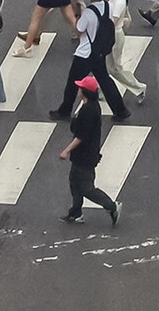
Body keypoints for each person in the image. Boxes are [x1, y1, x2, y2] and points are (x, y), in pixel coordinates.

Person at [51, 0, 132, 122]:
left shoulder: (88, 12)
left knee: (72, 83)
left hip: (85, 53)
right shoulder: (108, 6)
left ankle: (65, 111)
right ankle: (121, 110)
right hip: (98, 52)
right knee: (105, 81)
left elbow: (78, 31)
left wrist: (77, 16)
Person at [59, 74, 121, 226]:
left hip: (85, 155)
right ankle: (76, 212)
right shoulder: (88, 105)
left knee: (86, 188)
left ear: (85, 92)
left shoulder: (89, 110)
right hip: (83, 154)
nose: (78, 89)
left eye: (80, 87)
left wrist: (66, 150)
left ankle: (111, 206)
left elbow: (81, 136)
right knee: (74, 182)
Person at [104, 0, 147, 104]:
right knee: (106, 67)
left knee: (114, 68)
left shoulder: (119, 2)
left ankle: (139, 88)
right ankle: (101, 91)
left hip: (114, 36)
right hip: (112, 35)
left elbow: (113, 22)